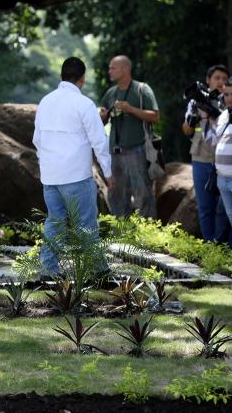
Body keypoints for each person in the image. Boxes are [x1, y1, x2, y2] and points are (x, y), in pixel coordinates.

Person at [34, 57, 113, 276]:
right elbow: (99, 141)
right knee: (86, 225)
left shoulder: (45, 102)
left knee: (54, 223)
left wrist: (46, 164)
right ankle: (99, 271)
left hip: (50, 177)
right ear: (83, 79)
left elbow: (37, 140)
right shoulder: (84, 104)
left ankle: (48, 269)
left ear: (61, 76)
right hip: (76, 176)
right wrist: (108, 172)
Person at [99, 55, 160, 218]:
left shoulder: (142, 89)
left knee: (143, 194)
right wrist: (103, 117)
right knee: (116, 196)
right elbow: (102, 122)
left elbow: (155, 116)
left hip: (138, 150)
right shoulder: (110, 93)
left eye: (113, 68)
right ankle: (120, 235)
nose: (109, 71)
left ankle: (147, 236)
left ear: (125, 69)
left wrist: (130, 109)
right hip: (115, 151)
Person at [181, 64, 231, 243]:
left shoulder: (230, 101)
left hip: (225, 160)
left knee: (225, 207)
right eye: (217, 78)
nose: (221, 82)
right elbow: (186, 130)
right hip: (201, 156)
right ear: (208, 80)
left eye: (224, 79)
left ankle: (225, 245)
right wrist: (193, 119)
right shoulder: (195, 100)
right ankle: (210, 245)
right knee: (205, 206)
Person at [203, 76, 232, 248]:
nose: (229, 98)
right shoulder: (223, 115)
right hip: (222, 177)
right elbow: (211, 141)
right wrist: (205, 117)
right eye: (226, 94)